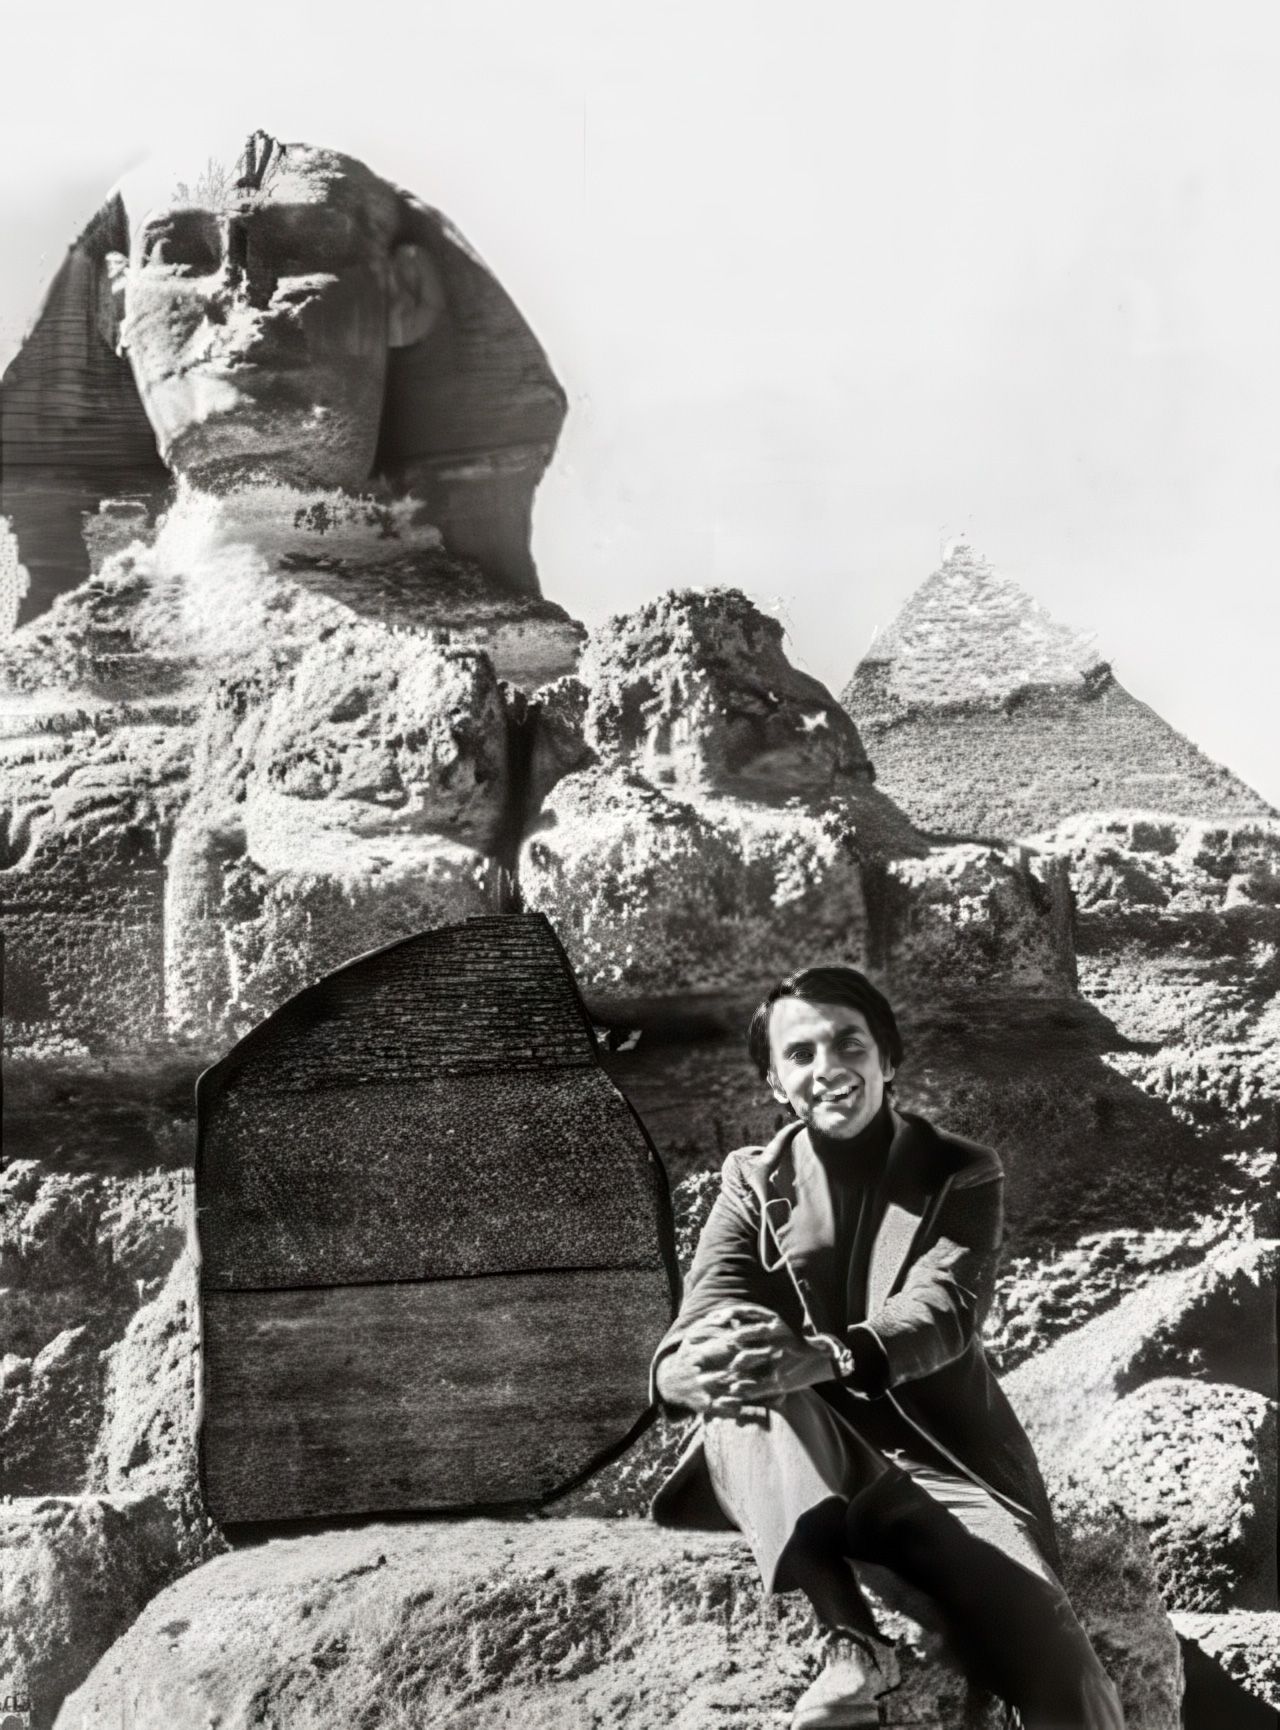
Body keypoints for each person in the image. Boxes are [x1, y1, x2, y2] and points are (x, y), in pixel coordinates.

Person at [650, 965, 1125, 1730]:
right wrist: (688, 1374)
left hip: (935, 1460)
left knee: (1058, 1657)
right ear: (775, 1082)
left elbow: (942, 1310)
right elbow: (706, 1310)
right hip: (798, 1449)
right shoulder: (751, 1181)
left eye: (850, 1044)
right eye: (800, 1054)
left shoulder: (959, 1171)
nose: (828, 1069)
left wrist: (831, 1355)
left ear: (888, 1059)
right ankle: (851, 1643)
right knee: (746, 1391)